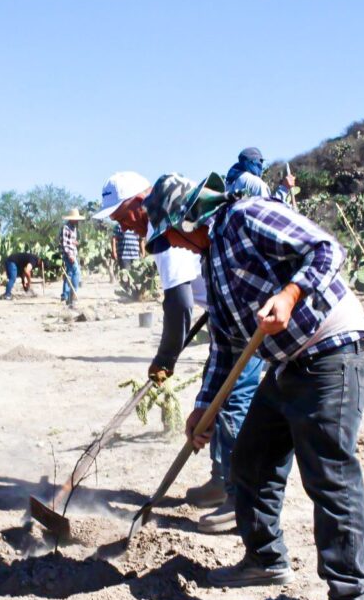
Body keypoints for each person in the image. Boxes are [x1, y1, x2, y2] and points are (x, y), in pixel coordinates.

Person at [144, 172, 364, 600]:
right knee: (249, 459)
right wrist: (205, 406)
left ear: (188, 217)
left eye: (170, 233)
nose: (173, 245)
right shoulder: (212, 265)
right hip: (288, 363)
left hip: (333, 347)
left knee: (328, 472)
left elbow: (327, 250)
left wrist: (291, 294)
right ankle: (264, 558)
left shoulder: (248, 217)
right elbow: (228, 350)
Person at [102, 172, 261, 535]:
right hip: (230, 321)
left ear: (142, 203)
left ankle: (238, 498)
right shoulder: (164, 230)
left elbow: (179, 304)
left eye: (125, 215)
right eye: (118, 222)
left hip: (252, 322)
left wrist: (165, 361)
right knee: (216, 395)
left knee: (233, 400)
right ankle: (223, 480)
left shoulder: (168, 227)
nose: (126, 226)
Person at [60, 208, 84, 304]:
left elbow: (70, 241)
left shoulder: (73, 227)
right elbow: (65, 243)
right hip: (69, 254)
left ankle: (65, 296)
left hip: (73, 253)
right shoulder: (66, 227)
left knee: (69, 274)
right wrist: (70, 255)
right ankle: (72, 296)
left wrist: (75, 243)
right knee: (76, 273)